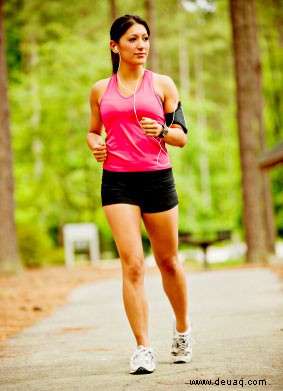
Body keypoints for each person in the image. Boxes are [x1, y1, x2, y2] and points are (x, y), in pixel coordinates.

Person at [87, 14, 193, 375]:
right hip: (117, 181)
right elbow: (91, 131)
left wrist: (162, 130)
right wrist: (95, 145)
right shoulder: (101, 89)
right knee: (132, 264)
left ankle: (182, 329)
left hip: (157, 178)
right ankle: (143, 347)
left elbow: (181, 137)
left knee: (168, 262)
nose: (142, 45)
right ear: (115, 46)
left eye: (145, 38)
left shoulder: (162, 84)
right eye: (132, 39)